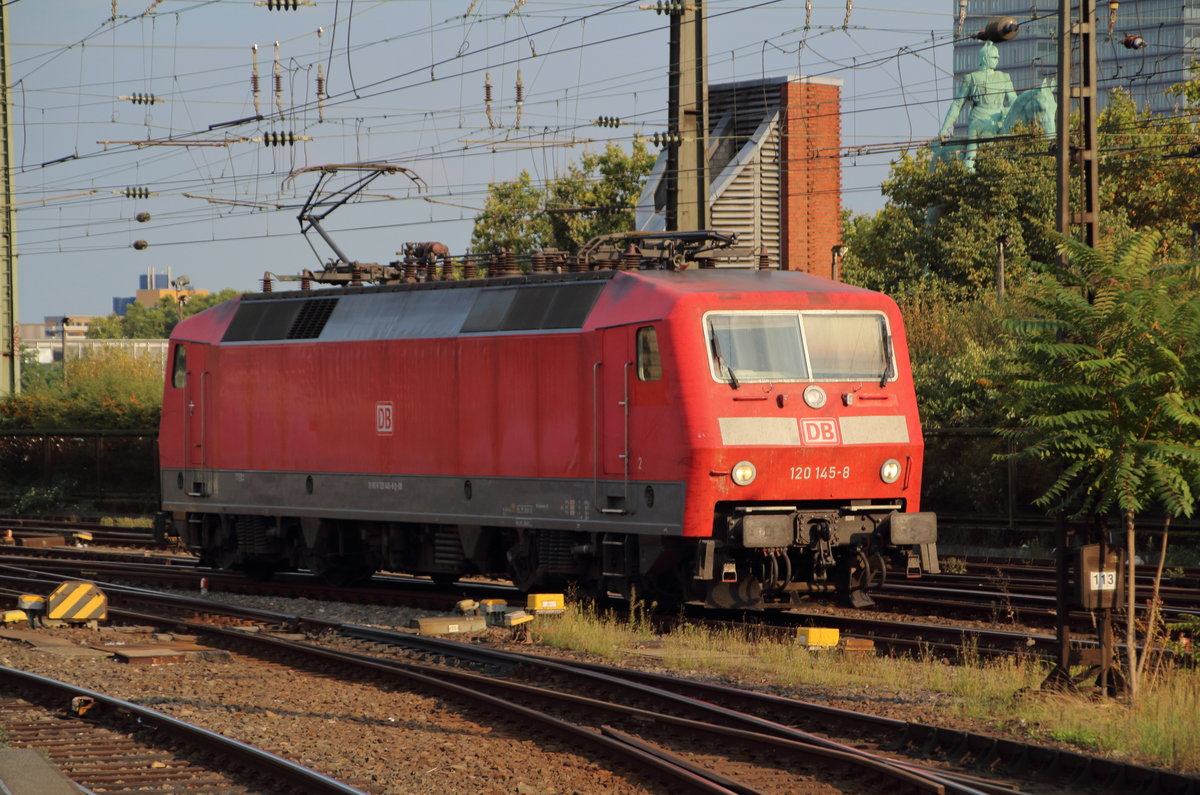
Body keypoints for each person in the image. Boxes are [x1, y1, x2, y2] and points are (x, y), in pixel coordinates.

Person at [937, 41, 1016, 170]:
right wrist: (944, 129)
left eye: (997, 58)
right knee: (972, 148)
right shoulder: (971, 78)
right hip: (978, 120)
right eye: (994, 57)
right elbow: (958, 104)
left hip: (999, 120)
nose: (997, 60)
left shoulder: (1004, 77)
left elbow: (1013, 99)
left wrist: (1010, 111)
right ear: (985, 59)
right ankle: (969, 167)